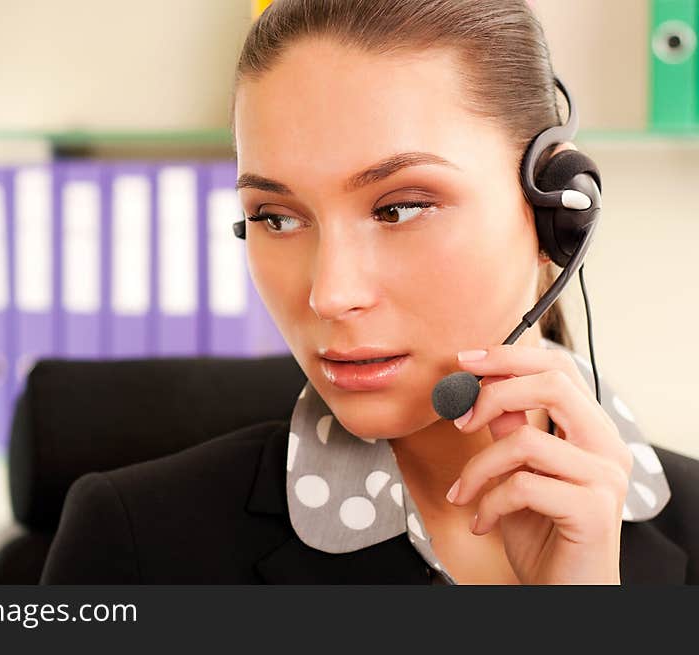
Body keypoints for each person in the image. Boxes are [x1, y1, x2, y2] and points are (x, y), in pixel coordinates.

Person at [40, 0, 698, 585]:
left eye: (400, 208)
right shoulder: (137, 548)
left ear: (557, 212)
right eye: (276, 217)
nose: (330, 293)